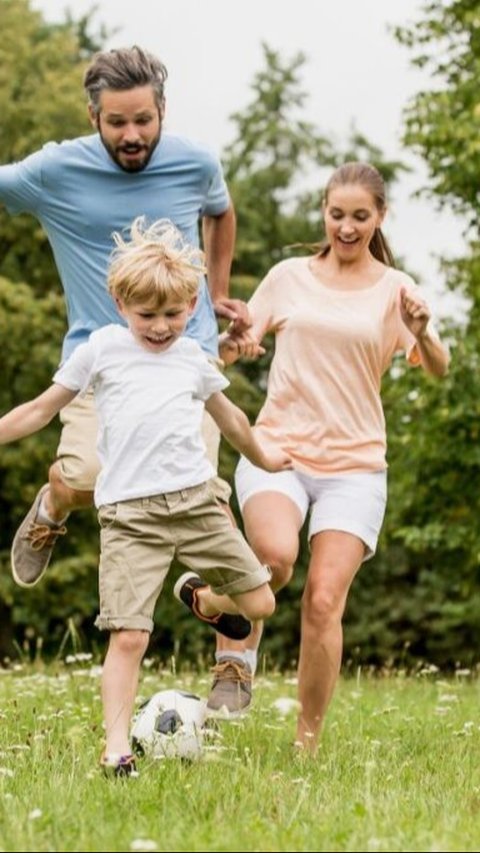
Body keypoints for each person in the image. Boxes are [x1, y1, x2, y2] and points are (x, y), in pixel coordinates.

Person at [0, 217, 292, 776]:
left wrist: (265, 458)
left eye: (174, 314)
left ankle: (205, 601)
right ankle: (115, 751)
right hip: (130, 519)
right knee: (129, 634)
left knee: (261, 604)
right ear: (118, 303)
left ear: (192, 306)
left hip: (197, 505)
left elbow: (230, 420)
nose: (161, 327)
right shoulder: (101, 350)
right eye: (147, 315)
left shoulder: (193, 360)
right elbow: (40, 408)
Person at [215, 161, 450, 749]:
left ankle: (307, 742)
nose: (346, 227)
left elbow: (440, 366)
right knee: (273, 555)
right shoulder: (289, 276)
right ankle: (233, 648)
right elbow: (239, 342)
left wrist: (420, 332)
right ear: (324, 211)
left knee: (323, 600)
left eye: (360, 217)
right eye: (336, 214)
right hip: (280, 450)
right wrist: (237, 345)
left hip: (356, 467)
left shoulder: (397, 291)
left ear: (380, 217)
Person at [0, 45, 247, 590]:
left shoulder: (196, 162)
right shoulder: (53, 170)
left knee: (202, 495)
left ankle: (233, 662)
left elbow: (221, 209)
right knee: (88, 477)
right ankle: (55, 502)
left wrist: (218, 290)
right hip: (100, 362)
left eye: (143, 119)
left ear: (162, 111)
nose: (132, 134)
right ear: (94, 118)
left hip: (188, 354)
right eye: (117, 123)